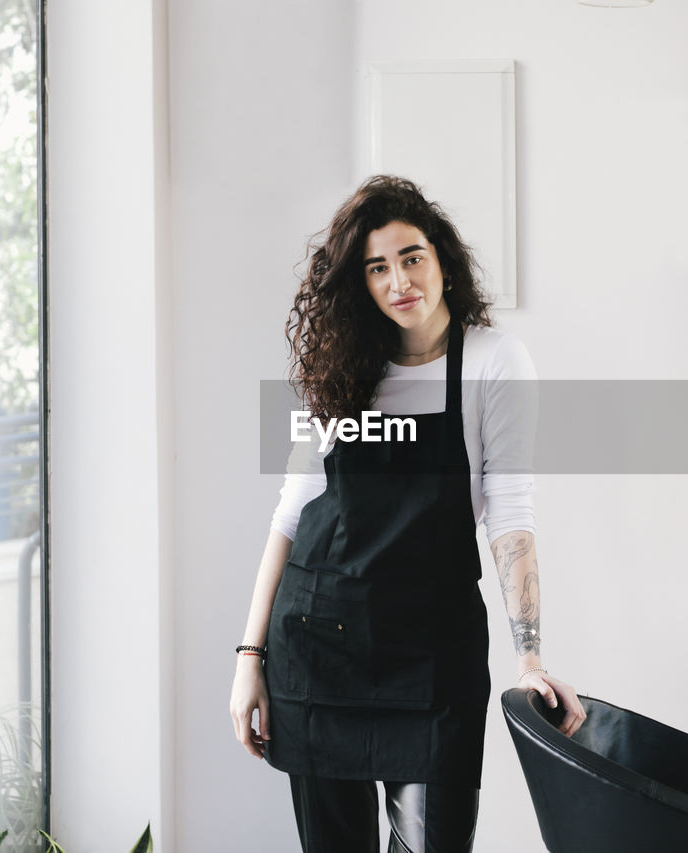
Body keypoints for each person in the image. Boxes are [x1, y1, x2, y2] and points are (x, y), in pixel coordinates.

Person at [229, 175, 584, 852]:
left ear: (442, 260)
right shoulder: (342, 370)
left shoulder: (493, 362)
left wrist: (530, 657)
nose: (399, 280)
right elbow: (291, 516)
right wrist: (249, 656)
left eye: (411, 257)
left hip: (431, 661)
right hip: (317, 649)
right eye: (378, 267)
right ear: (360, 283)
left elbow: (510, 515)